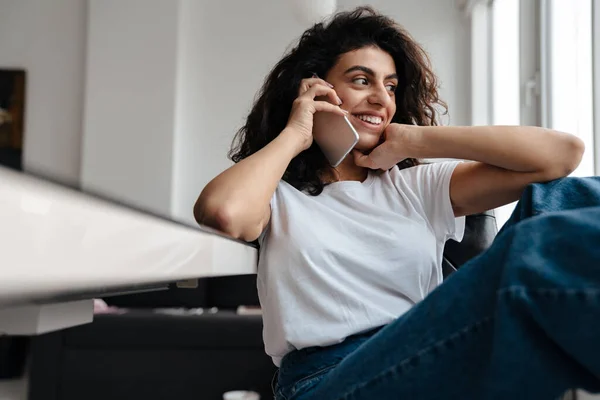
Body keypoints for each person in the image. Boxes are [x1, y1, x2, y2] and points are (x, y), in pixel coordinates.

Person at [194, 6, 600, 400]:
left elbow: (562, 155)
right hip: (329, 377)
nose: (380, 98)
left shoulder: (414, 187)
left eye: (390, 86)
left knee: (570, 198)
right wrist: (296, 131)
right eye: (360, 80)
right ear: (316, 90)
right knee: (535, 260)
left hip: (426, 346)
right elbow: (223, 212)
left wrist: (417, 140)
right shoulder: (277, 198)